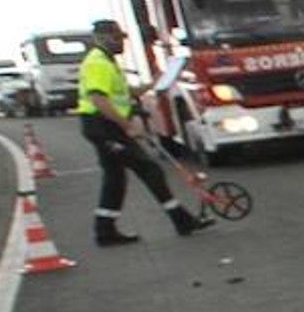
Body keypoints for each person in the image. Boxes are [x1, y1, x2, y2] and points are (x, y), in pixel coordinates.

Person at [77, 19, 213, 246]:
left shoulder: (108, 62)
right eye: (117, 37)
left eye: (122, 37)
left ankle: (105, 230)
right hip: (103, 127)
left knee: (115, 178)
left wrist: (151, 85)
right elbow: (98, 98)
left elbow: (122, 92)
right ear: (102, 39)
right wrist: (126, 124)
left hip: (105, 126)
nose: (121, 42)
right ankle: (182, 220)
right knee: (149, 169)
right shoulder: (98, 63)